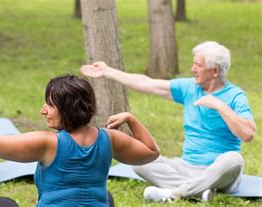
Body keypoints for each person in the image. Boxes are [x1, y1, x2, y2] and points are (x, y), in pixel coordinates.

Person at [0, 74, 159, 206]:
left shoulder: (48, 143)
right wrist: (130, 118)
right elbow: (151, 151)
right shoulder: (110, 139)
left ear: (67, 108)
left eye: (49, 105)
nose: (43, 110)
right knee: (105, 199)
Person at [80, 41, 257, 202]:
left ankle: (175, 193)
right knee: (139, 162)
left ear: (215, 71)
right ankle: (199, 191)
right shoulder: (190, 87)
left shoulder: (235, 96)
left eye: (198, 65)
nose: (192, 68)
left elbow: (248, 134)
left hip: (220, 170)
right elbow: (147, 83)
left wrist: (220, 106)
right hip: (186, 166)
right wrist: (107, 71)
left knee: (234, 160)